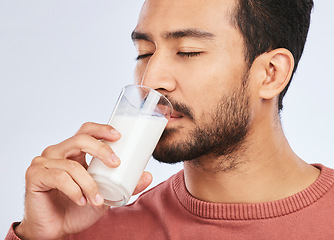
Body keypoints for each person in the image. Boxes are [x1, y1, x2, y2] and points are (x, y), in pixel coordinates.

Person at [6, 0, 334, 239]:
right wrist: (37, 236)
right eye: (145, 53)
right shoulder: (90, 229)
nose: (151, 79)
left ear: (271, 74)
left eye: (188, 51)